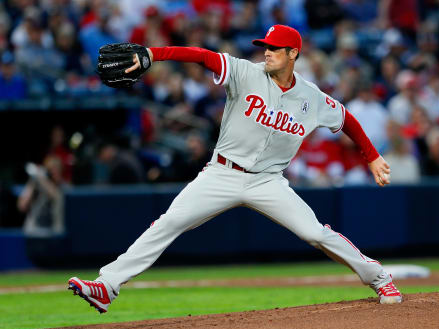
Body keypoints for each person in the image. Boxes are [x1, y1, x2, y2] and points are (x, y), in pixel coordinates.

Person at [68, 25, 402, 313]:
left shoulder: (310, 97)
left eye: (274, 49)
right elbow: (201, 55)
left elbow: (347, 120)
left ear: (292, 54)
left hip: (268, 182)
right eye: (265, 47)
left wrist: (371, 156)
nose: (267, 52)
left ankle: (379, 278)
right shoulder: (245, 72)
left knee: (314, 233)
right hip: (221, 173)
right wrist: (154, 54)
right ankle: (107, 285)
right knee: (168, 222)